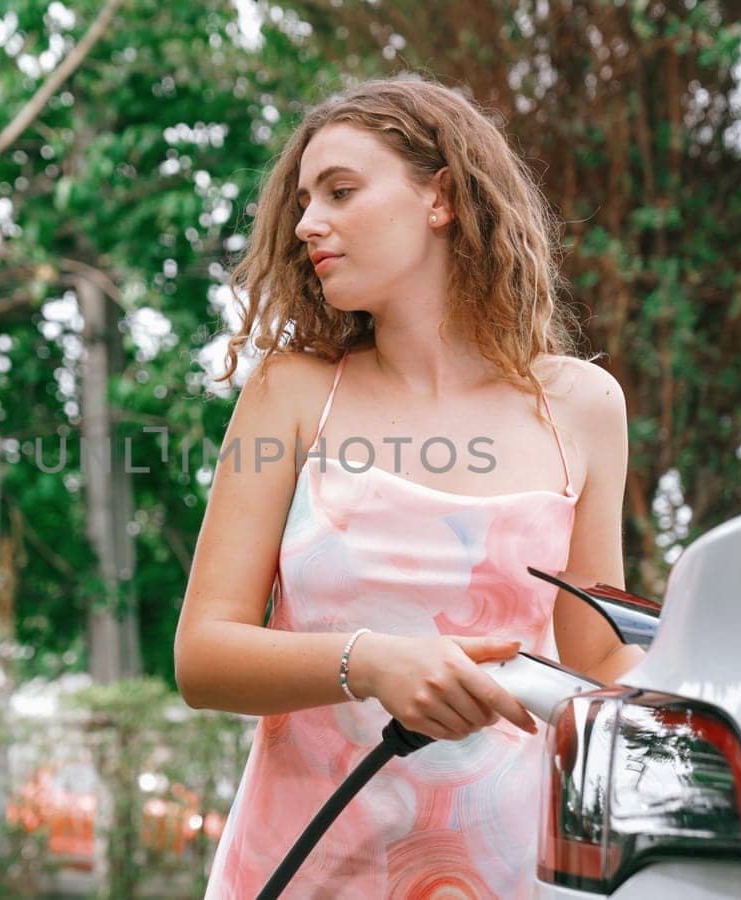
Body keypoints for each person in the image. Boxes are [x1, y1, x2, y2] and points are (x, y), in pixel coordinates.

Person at [173, 74, 643, 898]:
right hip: (309, 863)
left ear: (442, 199)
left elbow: (599, 658)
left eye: (341, 191)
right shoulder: (291, 393)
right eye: (305, 201)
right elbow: (202, 656)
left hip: (508, 870)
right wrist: (371, 661)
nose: (308, 223)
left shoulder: (582, 406)